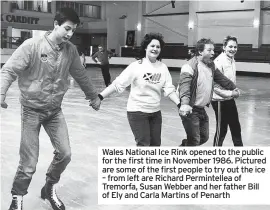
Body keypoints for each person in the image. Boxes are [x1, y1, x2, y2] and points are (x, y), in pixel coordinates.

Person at [1, 8, 101, 210]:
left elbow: (80, 74)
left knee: (65, 154)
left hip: (54, 111)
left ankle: (49, 188)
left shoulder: (70, 50)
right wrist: (1, 93)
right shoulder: (32, 46)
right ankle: (17, 198)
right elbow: (9, 70)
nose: (69, 34)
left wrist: (93, 96)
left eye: (72, 30)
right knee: (29, 162)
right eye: (66, 28)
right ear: (55, 24)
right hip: (31, 109)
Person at [98, 33, 180, 146]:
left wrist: (179, 104)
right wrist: (100, 96)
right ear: (146, 47)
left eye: (158, 47)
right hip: (137, 112)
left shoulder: (163, 68)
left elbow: (169, 89)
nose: (155, 49)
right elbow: (117, 84)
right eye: (152, 46)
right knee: (144, 145)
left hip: (155, 113)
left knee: (155, 145)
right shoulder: (136, 66)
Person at [178, 38, 239, 147]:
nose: (213, 53)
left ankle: (184, 146)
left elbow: (221, 79)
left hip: (201, 108)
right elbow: (185, 86)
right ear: (200, 51)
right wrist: (185, 104)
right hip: (190, 109)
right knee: (195, 140)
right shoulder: (189, 66)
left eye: (213, 50)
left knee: (204, 137)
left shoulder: (210, 65)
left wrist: (233, 87)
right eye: (209, 50)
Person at [211, 36, 243, 146]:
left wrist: (234, 90)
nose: (233, 49)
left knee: (236, 127)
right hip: (219, 101)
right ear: (224, 47)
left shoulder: (232, 60)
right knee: (222, 130)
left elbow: (229, 80)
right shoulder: (218, 62)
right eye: (230, 46)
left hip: (229, 99)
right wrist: (231, 93)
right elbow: (214, 87)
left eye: (235, 47)